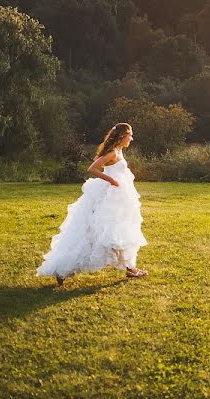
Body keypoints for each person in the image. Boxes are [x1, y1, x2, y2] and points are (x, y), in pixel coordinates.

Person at [37, 123, 148, 286]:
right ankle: (62, 269)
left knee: (123, 231)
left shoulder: (118, 151)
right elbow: (93, 168)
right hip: (111, 197)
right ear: (122, 136)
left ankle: (131, 268)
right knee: (98, 234)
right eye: (130, 135)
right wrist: (112, 180)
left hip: (120, 198)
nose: (132, 138)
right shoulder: (111, 153)